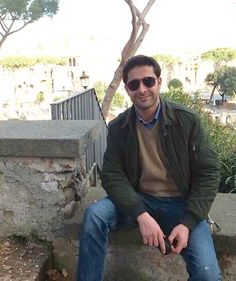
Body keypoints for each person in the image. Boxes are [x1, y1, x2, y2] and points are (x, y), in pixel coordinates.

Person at [77, 55, 221, 281]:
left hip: (181, 203)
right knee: (95, 216)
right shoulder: (119, 127)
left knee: (208, 275)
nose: (142, 89)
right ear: (127, 89)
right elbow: (113, 175)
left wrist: (188, 223)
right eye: (134, 84)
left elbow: (209, 172)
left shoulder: (187, 120)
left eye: (148, 81)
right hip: (139, 199)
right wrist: (141, 216)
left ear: (159, 82)